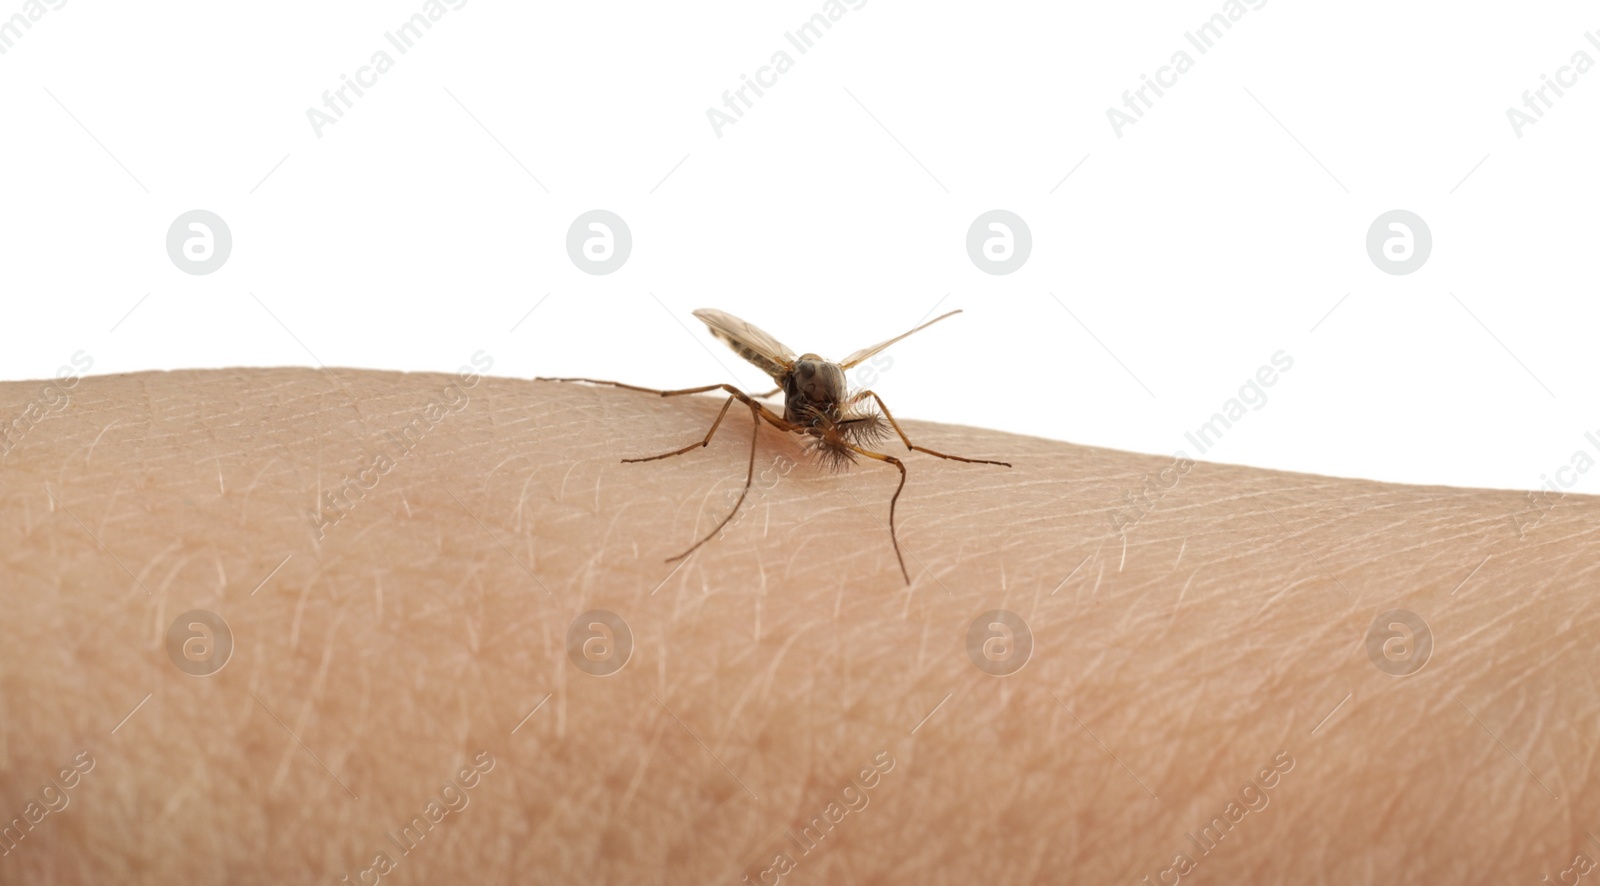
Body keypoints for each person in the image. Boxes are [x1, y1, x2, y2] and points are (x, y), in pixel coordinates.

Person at [0, 367, 1592, 884]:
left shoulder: (860, 424)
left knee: (902, 430)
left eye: (831, 433)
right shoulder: (780, 411)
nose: (832, 442)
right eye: (825, 433)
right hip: (737, 398)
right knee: (712, 408)